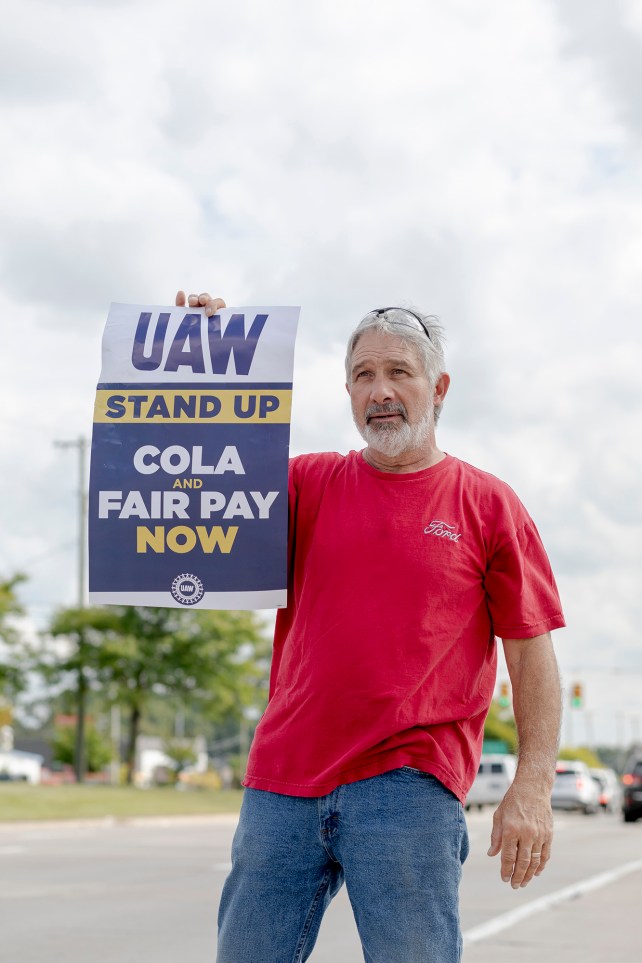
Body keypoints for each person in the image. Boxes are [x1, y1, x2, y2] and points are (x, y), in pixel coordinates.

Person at [176, 291, 565, 963]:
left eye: (397, 371)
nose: (379, 390)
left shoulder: (488, 504)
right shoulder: (307, 484)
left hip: (408, 785)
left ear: (437, 386)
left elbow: (531, 655)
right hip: (282, 782)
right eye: (362, 376)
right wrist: (207, 358)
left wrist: (532, 784)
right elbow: (201, 486)